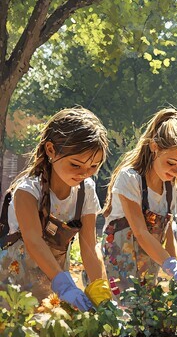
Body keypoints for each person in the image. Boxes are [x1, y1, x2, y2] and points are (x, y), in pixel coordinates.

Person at [0, 108, 110, 310]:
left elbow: (89, 247)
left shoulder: (86, 191)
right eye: (75, 164)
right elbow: (34, 242)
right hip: (14, 288)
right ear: (51, 150)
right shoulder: (27, 191)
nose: (84, 173)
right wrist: (65, 286)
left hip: (53, 288)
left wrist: (99, 289)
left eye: (94, 166)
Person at [103, 108, 177, 301]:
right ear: (154, 147)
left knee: (146, 311)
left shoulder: (169, 186)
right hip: (119, 265)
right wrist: (171, 265)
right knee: (125, 310)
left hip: (149, 265)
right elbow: (140, 232)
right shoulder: (130, 178)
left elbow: (168, 231)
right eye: (172, 163)